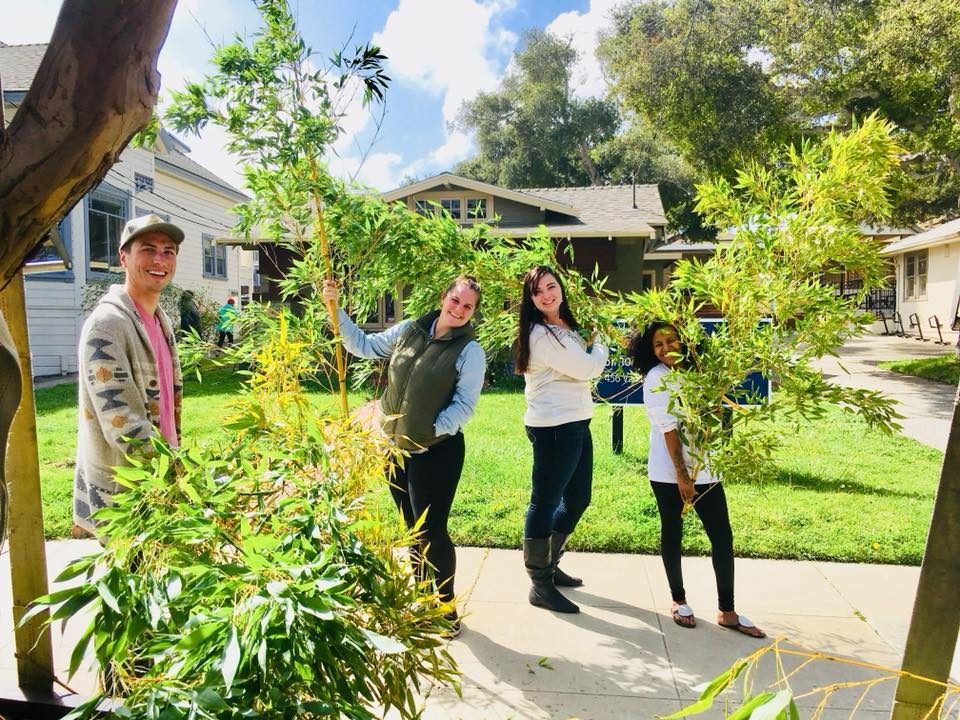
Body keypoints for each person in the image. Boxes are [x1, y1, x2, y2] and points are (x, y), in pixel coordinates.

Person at [321, 276, 486, 636]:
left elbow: (465, 406)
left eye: (467, 306)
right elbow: (363, 345)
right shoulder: (411, 329)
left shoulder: (469, 351)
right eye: (455, 300)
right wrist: (337, 309)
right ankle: (423, 600)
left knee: (431, 531)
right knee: (411, 529)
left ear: (472, 312)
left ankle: (446, 608)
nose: (459, 310)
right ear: (443, 297)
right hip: (394, 451)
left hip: (435, 452)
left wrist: (427, 431)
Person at [628, 321, 765, 638]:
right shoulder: (657, 377)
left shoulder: (701, 372)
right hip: (669, 473)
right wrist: (682, 475)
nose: (665, 348)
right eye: (658, 344)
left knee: (722, 536)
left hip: (706, 467)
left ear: (685, 341)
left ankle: (727, 611)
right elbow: (668, 429)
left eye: (671, 340)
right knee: (673, 532)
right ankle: (678, 600)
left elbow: (713, 417)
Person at [74, 213, 184, 537]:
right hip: (124, 493)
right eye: (148, 249)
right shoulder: (107, 325)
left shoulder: (161, 321)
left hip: (158, 483)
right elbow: (123, 423)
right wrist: (177, 471)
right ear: (123, 258)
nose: (159, 260)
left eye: (168, 251)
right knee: (133, 569)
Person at [513, 266, 609, 614]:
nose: (547, 295)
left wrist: (591, 341)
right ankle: (539, 583)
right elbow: (586, 368)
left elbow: (581, 360)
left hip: (577, 421)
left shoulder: (564, 325)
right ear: (531, 299)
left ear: (561, 288)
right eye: (538, 292)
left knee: (579, 497)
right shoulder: (540, 334)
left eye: (551, 286)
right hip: (554, 426)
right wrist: (602, 343)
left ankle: (550, 564)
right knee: (545, 502)